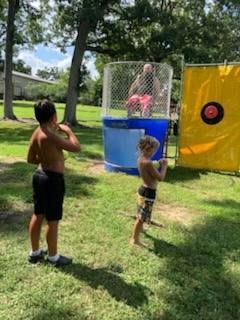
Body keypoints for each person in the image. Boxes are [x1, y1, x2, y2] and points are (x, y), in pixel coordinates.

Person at [27, 99, 81, 266]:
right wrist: (69, 131)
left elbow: (30, 159)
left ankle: (35, 252)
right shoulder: (51, 135)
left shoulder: (37, 132)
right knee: (52, 219)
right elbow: (76, 147)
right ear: (53, 117)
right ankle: (53, 257)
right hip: (52, 180)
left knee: (38, 214)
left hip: (39, 176)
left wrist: (47, 158)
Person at [130, 135, 168, 247]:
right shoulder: (148, 163)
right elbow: (160, 178)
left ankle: (142, 226)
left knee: (141, 213)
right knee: (141, 218)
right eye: (154, 150)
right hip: (148, 192)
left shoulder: (141, 159)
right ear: (148, 149)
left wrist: (157, 164)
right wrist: (164, 166)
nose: (154, 152)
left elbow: (149, 172)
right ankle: (134, 239)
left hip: (143, 190)